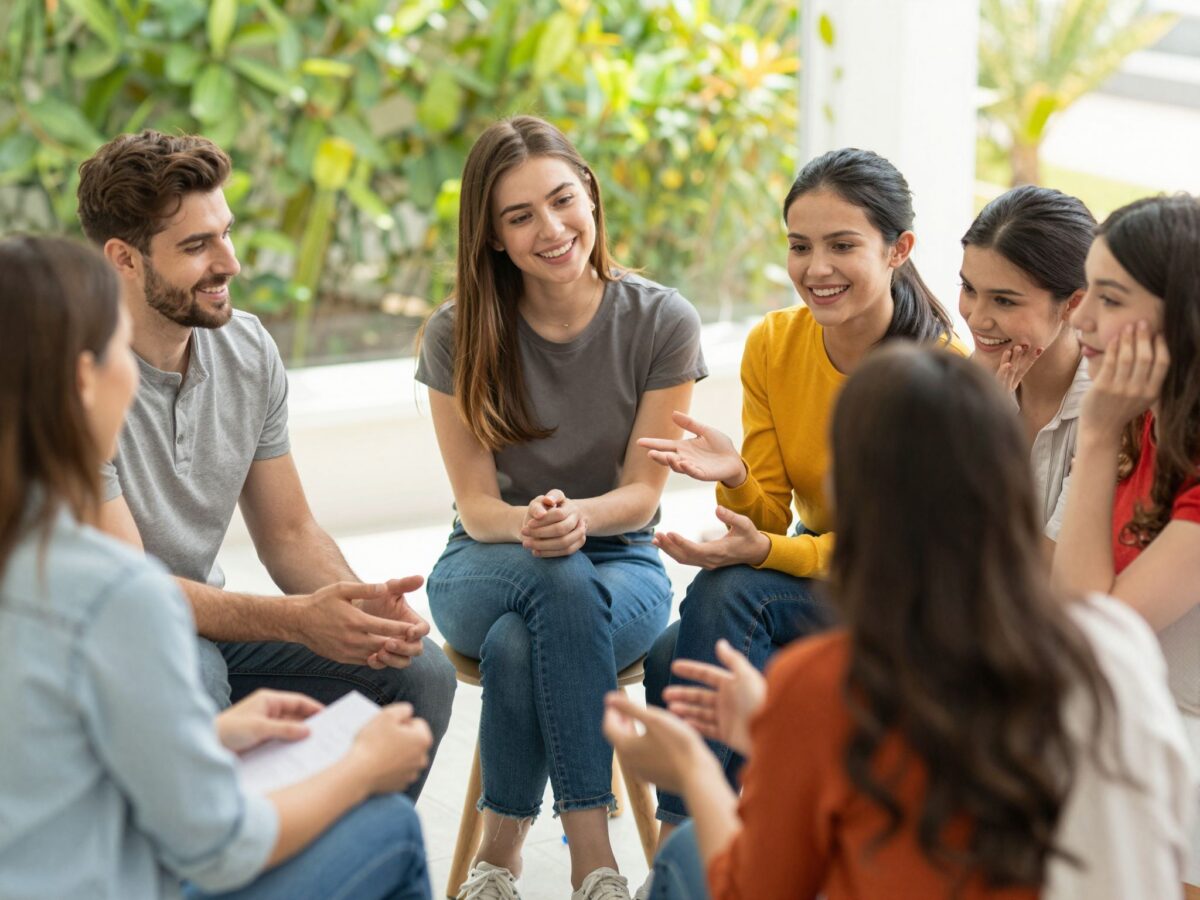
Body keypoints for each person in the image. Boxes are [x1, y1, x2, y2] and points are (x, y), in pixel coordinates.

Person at [607, 344, 1194, 899]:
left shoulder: (827, 682)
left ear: (851, 495)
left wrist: (693, 767)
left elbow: (756, 889)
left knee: (687, 854)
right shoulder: (1114, 645)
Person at [0, 235, 435, 900]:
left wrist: (211, 736)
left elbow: (44, 743)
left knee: (417, 672)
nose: (230, 260)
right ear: (86, 380)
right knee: (391, 825)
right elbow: (220, 848)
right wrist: (363, 769)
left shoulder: (35, 553)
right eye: (118, 349)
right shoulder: (109, 591)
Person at [76, 130, 455, 800]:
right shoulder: (77, 381)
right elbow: (132, 593)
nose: (231, 262)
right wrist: (297, 618)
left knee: (417, 675)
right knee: (190, 668)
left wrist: (360, 608)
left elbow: (289, 535)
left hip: (201, 629)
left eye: (226, 232)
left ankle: (345, 865)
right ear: (124, 260)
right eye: (197, 246)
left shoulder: (247, 350)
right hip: (103, 644)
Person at [637, 147, 964, 858]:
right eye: (800, 245)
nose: (816, 269)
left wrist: (764, 552)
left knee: (727, 602)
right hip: (815, 589)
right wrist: (735, 479)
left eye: (843, 245)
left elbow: (895, 552)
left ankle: (691, 859)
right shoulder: (775, 345)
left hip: (906, 609)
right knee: (674, 655)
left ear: (898, 248)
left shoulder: (938, 373)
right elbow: (766, 522)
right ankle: (741, 852)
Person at [414, 115, 706, 900]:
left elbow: (644, 495)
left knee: (526, 637)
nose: (551, 229)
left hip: (623, 559)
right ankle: (594, 864)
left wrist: (578, 522)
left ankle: (497, 860)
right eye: (520, 216)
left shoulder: (661, 320)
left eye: (562, 200)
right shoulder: (456, 335)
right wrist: (534, 525)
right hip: (487, 561)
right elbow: (477, 507)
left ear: (593, 199)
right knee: (553, 584)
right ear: (493, 237)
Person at [1051, 193, 1200, 886]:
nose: (1080, 319)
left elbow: (1096, 631)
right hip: (1131, 718)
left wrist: (1097, 430)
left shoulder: (1118, 419)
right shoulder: (1144, 417)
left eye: (1110, 299)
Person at [959, 185, 1094, 536]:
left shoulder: (1111, 412)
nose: (976, 319)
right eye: (969, 289)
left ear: (1074, 303)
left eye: (1004, 301)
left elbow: (1053, 576)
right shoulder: (961, 384)